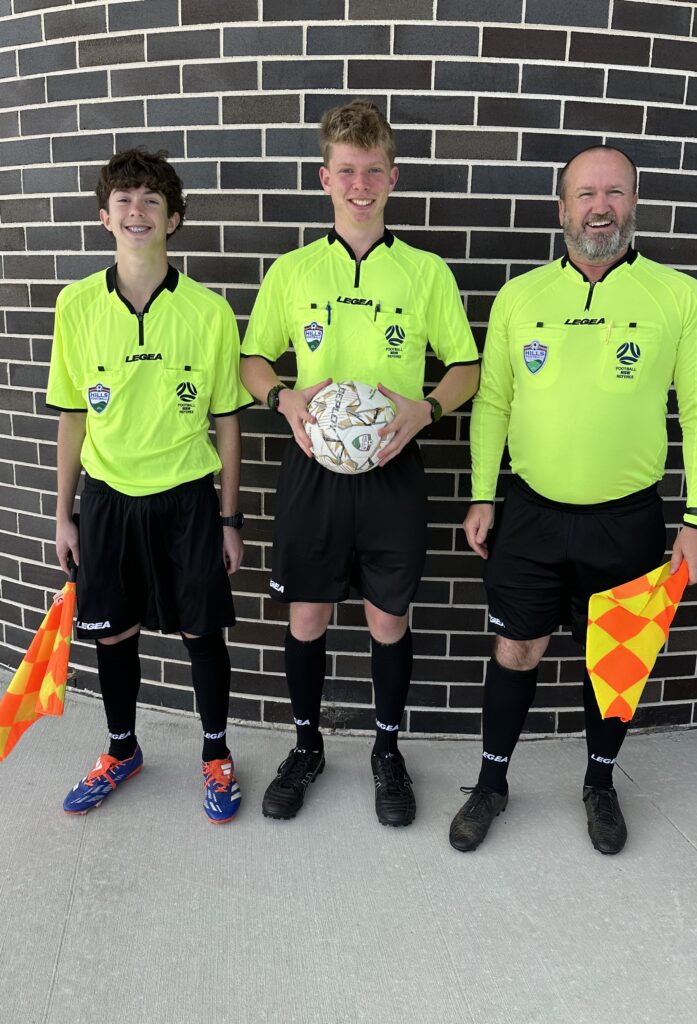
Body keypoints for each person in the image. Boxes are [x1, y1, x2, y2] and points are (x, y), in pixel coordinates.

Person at [449, 145, 697, 855]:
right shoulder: (520, 297)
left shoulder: (678, 296)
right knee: (516, 647)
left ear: (634, 203)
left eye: (615, 192)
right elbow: (494, 404)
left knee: (617, 661)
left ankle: (600, 784)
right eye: (586, 193)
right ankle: (491, 783)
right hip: (531, 514)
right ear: (562, 207)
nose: (601, 207)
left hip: (628, 518)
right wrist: (483, 495)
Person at [241, 100, 479, 827]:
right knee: (308, 613)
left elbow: (467, 368)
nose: (361, 185)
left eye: (374, 170)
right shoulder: (293, 271)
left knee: (387, 619)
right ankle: (306, 746)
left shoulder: (425, 272)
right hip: (313, 467)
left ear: (393, 177)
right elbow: (252, 361)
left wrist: (427, 409)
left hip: (393, 466)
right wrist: (283, 399)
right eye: (346, 171)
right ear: (325, 177)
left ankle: (386, 749)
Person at [47, 148, 252, 823]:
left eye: (151, 200)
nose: (137, 211)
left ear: (174, 218)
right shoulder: (76, 305)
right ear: (104, 217)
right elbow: (72, 417)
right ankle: (121, 750)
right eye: (124, 200)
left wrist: (229, 520)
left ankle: (216, 755)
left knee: (202, 632)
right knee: (113, 634)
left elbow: (227, 423)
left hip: (188, 499)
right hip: (108, 499)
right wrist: (64, 514)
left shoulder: (209, 311)